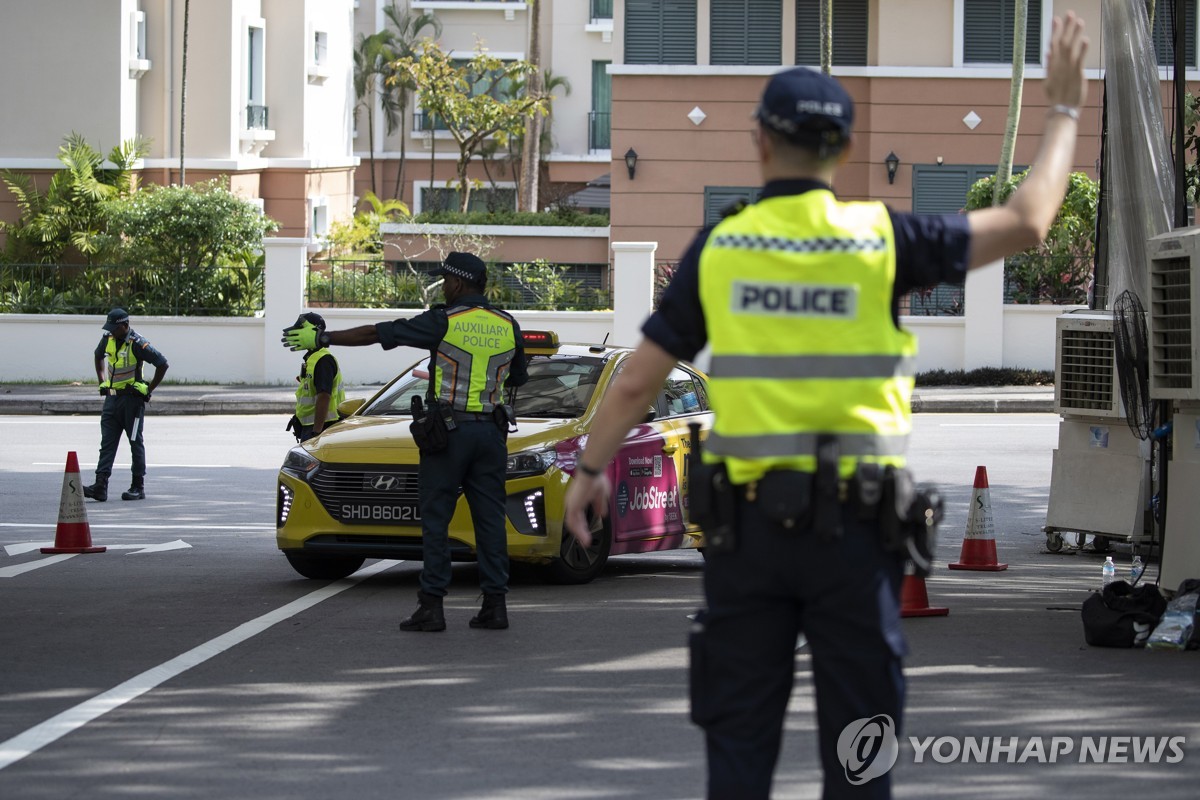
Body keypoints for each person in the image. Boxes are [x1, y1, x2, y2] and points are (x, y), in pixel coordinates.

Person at [563, 13, 1089, 800]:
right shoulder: (883, 238)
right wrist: (1064, 110)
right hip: (855, 536)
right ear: (843, 150)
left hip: (746, 541)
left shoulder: (724, 248)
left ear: (760, 142)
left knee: (739, 750)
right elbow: (1026, 221)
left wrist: (589, 471)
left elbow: (637, 380)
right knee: (859, 755)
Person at [281, 251, 528, 632]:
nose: (443, 286)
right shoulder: (508, 325)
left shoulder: (445, 320)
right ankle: (495, 606)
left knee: (435, 519)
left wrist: (325, 337)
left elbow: (379, 333)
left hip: (448, 434)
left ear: (459, 283)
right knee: (490, 521)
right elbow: (518, 378)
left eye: (446, 280)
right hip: (490, 434)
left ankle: (432, 608)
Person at [84, 308, 169, 502]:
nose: (112, 331)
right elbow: (98, 356)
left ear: (125, 325)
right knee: (107, 444)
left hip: (132, 402)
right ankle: (100, 486)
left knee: (134, 442)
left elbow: (162, 363)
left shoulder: (138, 343)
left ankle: (137, 487)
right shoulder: (108, 339)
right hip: (112, 400)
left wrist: (149, 389)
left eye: (115, 328)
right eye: (110, 328)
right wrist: (101, 381)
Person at [286, 312, 346, 443]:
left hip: (322, 427)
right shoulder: (313, 358)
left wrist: (316, 433)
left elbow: (324, 396)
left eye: (301, 329)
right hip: (312, 426)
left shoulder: (323, 360)